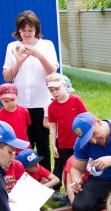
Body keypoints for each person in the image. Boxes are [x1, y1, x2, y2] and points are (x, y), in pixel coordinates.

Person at [3, 10, 59, 172]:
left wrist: (39, 56)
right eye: (23, 30)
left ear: (36, 30)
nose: (27, 34)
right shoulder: (12, 47)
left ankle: (47, 178)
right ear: (18, 31)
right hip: (20, 105)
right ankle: (23, 177)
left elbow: (53, 73)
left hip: (42, 103)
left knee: (42, 143)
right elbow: (7, 76)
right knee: (23, 143)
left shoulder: (46, 45)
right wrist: (19, 61)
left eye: (30, 30)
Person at [46, 73, 88, 201]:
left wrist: (87, 139)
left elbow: (86, 119)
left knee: (78, 166)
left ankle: (80, 188)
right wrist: (53, 145)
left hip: (78, 142)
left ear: (65, 86)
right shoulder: (51, 107)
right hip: (62, 143)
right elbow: (53, 127)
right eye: (51, 90)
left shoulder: (76, 100)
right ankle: (58, 189)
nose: (54, 93)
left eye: (57, 89)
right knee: (60, 167)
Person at [0, 83, 31, 153]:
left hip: (24, 146)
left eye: (12, 100)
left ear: (17, 97)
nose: (10, 103)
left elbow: (26, 126)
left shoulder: (24, 111)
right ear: (1, 101)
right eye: (6, 101)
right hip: (9, 149)